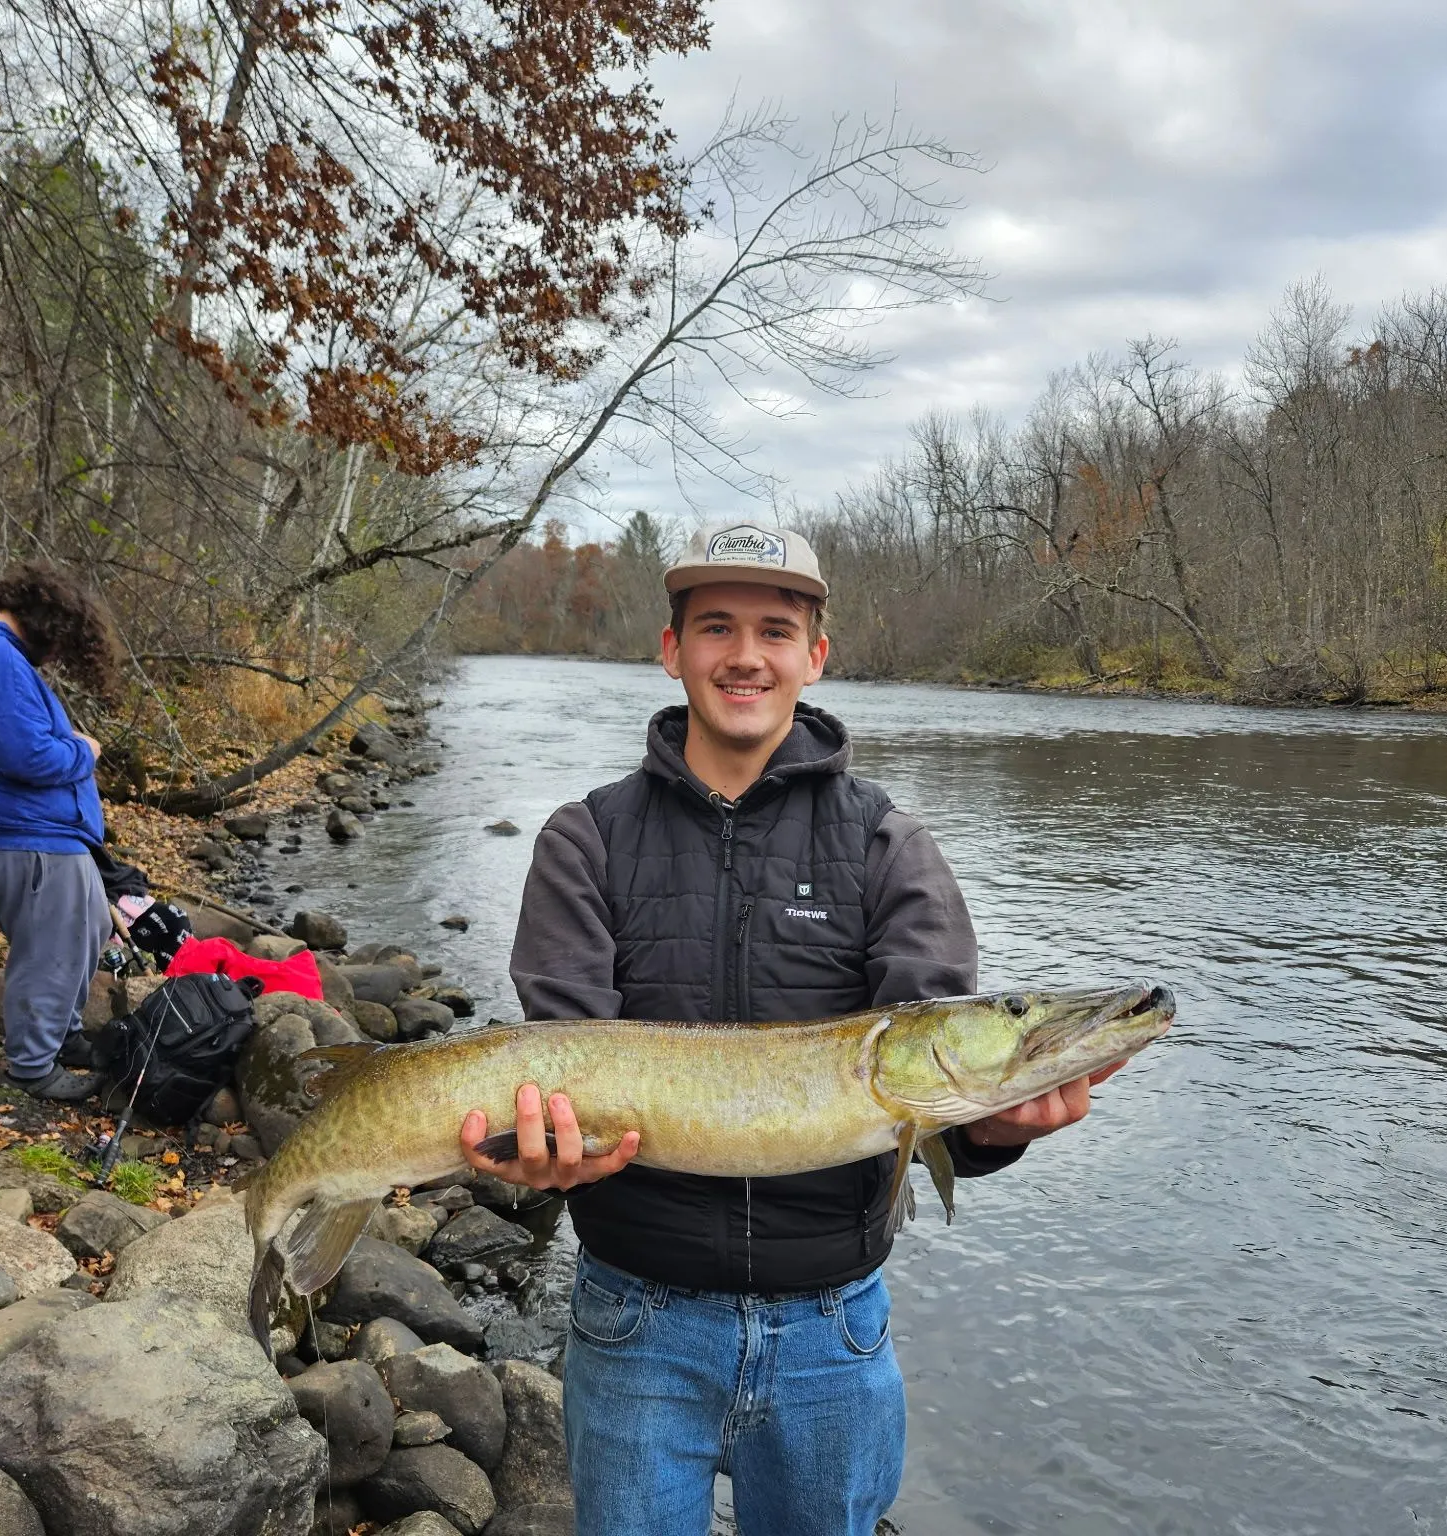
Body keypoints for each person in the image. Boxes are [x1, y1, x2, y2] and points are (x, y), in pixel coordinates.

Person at [461, 520, 1124, 1536]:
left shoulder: (888, 844)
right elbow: (562, 1064)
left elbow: (934, 1090)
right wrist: (545, 1150)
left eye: (776, 629)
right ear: (670, 647)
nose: (744, 655)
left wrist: (994, 1128)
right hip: (635, 1321)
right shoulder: (584, 839)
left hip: (832, 1332)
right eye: (715, 626)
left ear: (815, 655)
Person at [0, 562, 116, 1101]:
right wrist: (85, 749)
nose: (55, 657)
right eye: (59, 644)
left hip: (38, 833)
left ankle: (62, 1036)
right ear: (47, 620)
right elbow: (26, 757)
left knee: (87, 931)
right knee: (49, 950)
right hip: (19, 834)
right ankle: (33, 1069)